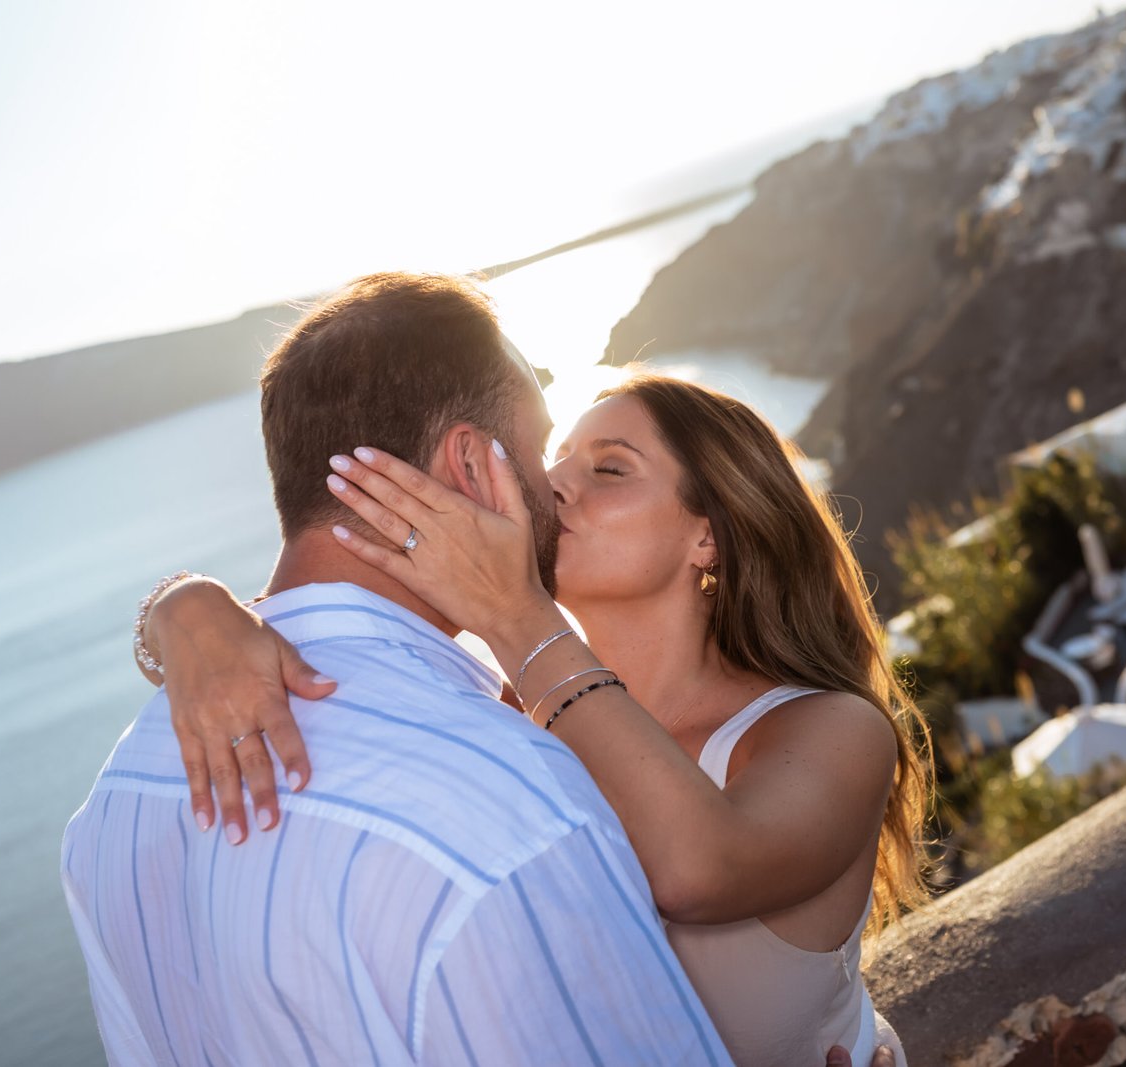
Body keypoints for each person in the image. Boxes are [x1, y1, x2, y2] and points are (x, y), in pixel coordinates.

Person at [143, 343, 931, 1062]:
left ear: (709, 538)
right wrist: (182, 607)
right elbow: (329, 612)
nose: (554, 484)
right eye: (555, 458)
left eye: (610, 469)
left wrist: (517, 614)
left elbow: (698, 867)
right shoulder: (507, 711)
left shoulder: (829, 729)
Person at [61, 272, 739, 1065]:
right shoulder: (511, 791)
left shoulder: (114, 800)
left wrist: (177, 603)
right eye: (535, 444)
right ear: (472, 464)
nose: (554, 489)